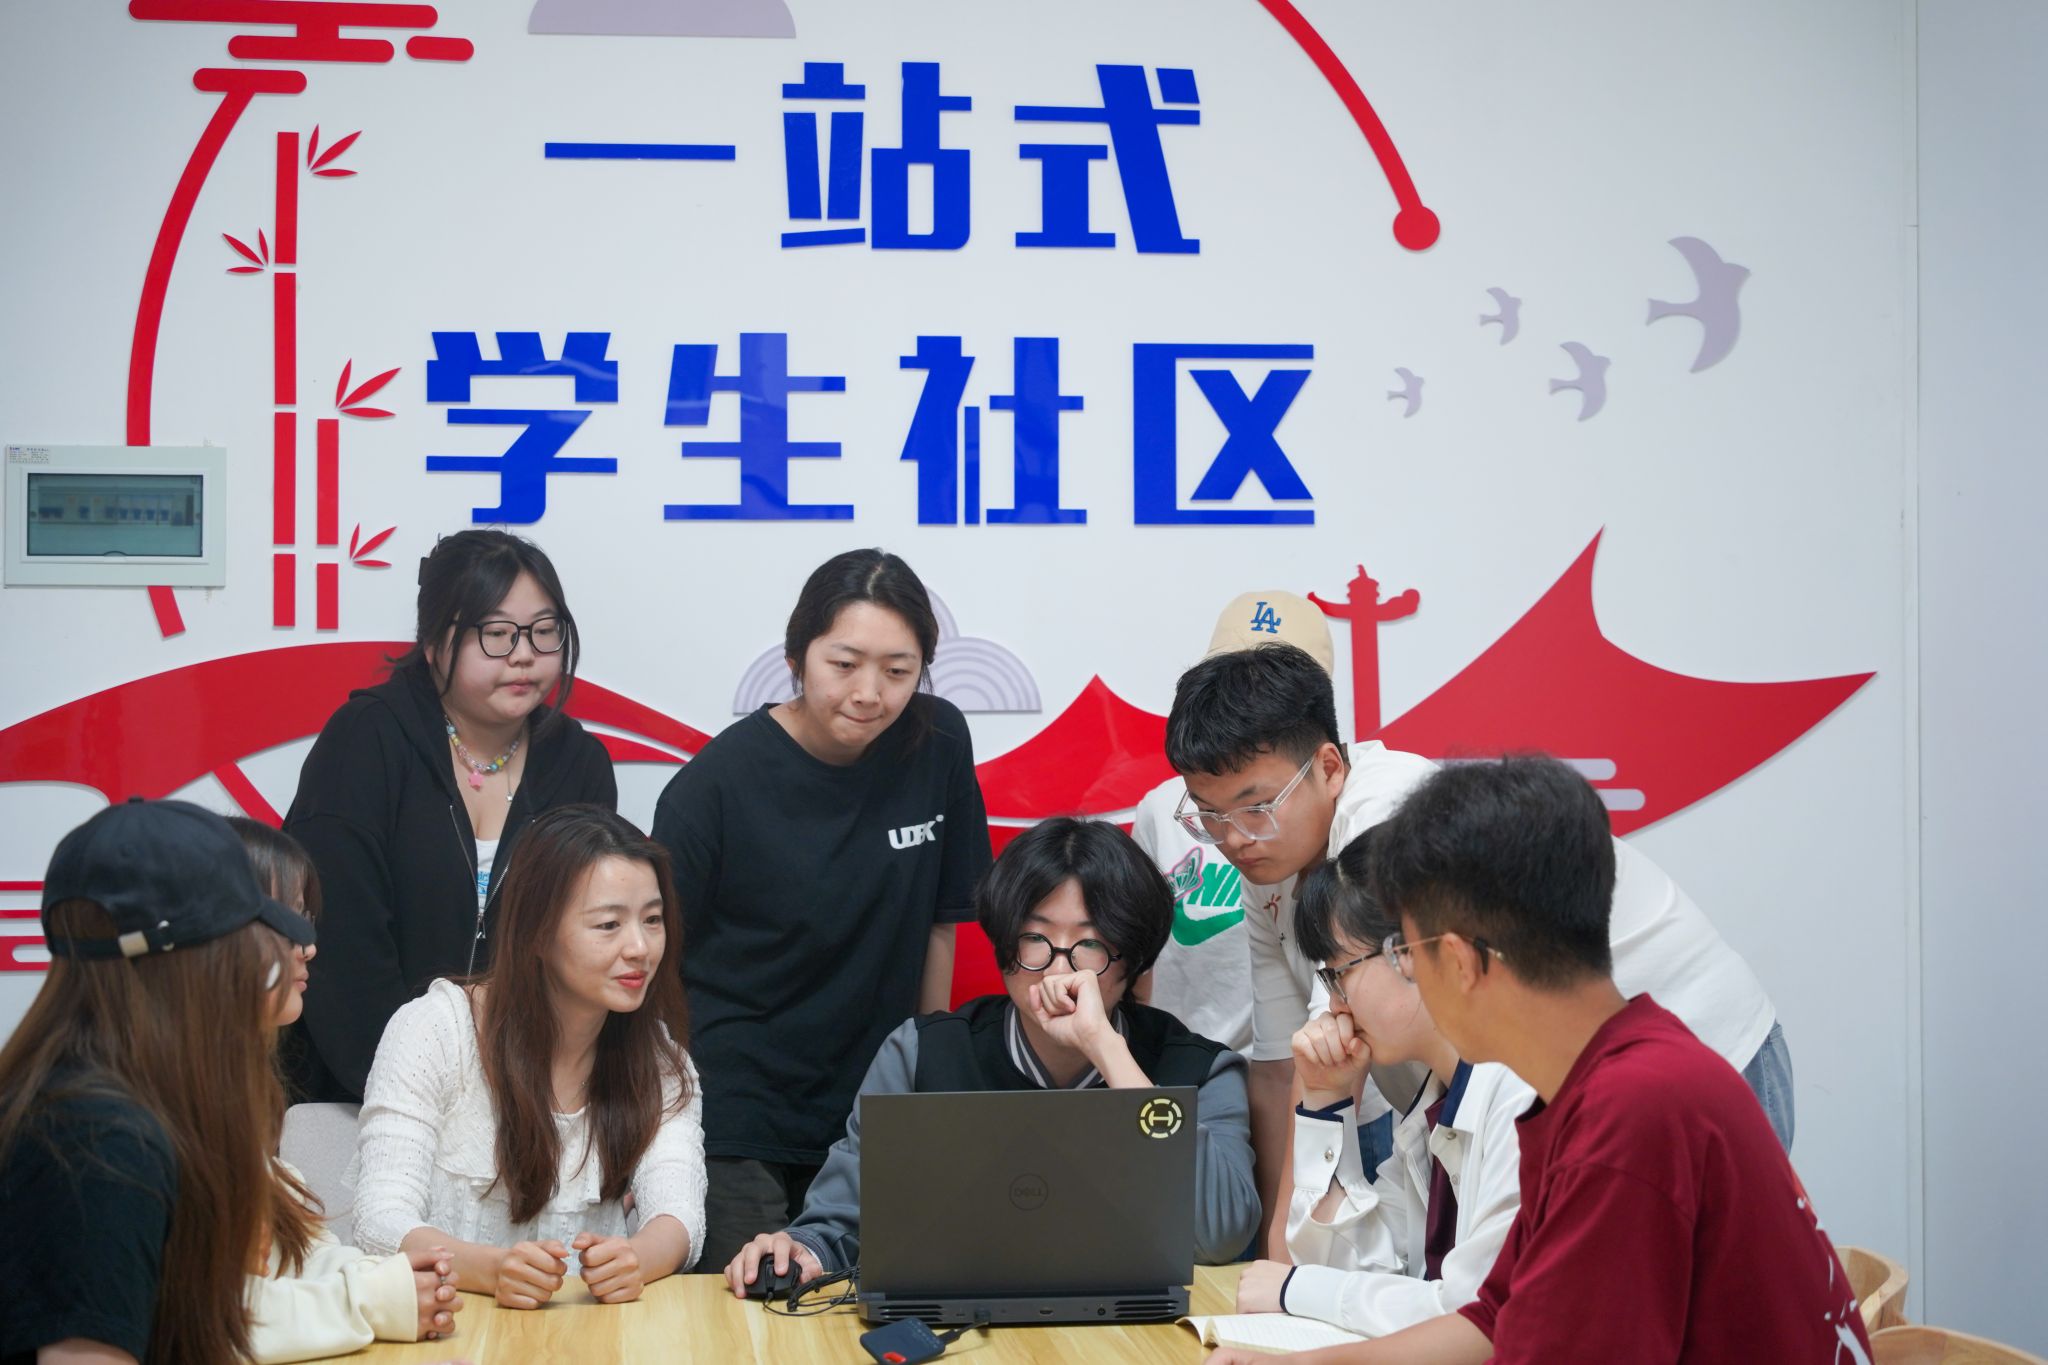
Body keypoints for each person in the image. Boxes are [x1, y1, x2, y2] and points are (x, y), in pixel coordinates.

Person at [1206, 757, 1870, 1364]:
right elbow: (1496, 1312)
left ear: (1459, 960)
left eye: (1406, 951)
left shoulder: (1629, 1113)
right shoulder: (1608, 1073)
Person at [1165, 644, 1791, 1245]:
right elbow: (1282, 1067)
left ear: (1329, 767)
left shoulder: (1389, 819)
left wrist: (1282, 1274)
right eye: (1209, 816)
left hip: (1694, 1045)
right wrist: (1277, 1267)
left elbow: (1329, 1041)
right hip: (1557, 1085)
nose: (1234, 839)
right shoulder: (1269, 868)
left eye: (1255, 807)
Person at [722, 817, 1259, 1294]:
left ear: (1133, 960)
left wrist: (1106, 1050)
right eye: (1036, 939)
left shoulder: (1200, 1070)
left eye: (1091, 945)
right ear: (1004, 949)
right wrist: (801, 1251)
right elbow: (840, 1221)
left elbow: (1220, 1235)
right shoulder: (920, 1054)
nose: (1059, 970)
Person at [653, 548, 993, 1268]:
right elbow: (656, 967)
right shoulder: (713, 788)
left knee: (870, 1305)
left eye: (898, 670)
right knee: (752, 1306)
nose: (870, 692)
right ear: (796, 657)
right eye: (844, 664)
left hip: (873, 1106)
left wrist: (923, 1074)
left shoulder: (938, 742)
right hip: (739, 1110)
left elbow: (940, 922)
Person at [286, 528, 617, 1102]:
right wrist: (410, 1091)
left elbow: (577, 948)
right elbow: (340, 945)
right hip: (358, 1088)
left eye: (544, 632)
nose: (523, 654)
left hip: (519, 1095)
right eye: (496, 634)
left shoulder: (578, 763)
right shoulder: (366, 741)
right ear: (436, 644)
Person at [0, 799, 317, 1365]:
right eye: (259, 934)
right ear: (204, 957)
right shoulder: (100, 1141)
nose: (290, 951)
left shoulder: (127, 1108)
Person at [351, 805, 705, 1309]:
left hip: (589, 1335)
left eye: (652, 920)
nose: (640, 948)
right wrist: (490, 1270)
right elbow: (379, 1220)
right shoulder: (434, 1030)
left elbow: (679, 1215)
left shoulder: (659, 1059)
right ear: (537, 932)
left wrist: (637, 1258)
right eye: (608, 924)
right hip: (448, 1327)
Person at [1233, 827, 1533, 1340]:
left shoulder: (1521, 1096)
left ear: (1413, 953)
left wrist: (1297, 1290)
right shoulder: (1433, 1104)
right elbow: (1360, 1269)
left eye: (1339, 973)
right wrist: (1325, 1102)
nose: (1335, 1006)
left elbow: (1474, 1316)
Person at [228, 817, 466, 1359]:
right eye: (286, 921)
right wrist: (370, 1299)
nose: (308, 948)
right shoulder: (133, 1121)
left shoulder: (233, 1093)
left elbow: (294, 1251)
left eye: (307, 921)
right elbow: (201, 1316)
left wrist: (386, 1278)